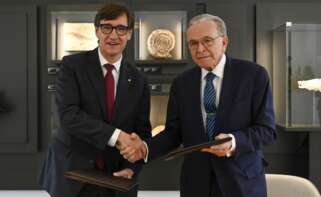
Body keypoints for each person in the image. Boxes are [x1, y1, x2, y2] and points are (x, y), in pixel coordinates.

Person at [120, 14, 277, 197]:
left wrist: (233, 142)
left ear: (224, 42)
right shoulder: (182, 83)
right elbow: (173, 133)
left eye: (207, 41)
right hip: (196, 184)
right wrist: (144, 148)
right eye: (193, 43)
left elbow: (266, 130)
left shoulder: (254, 75)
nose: (200, 49)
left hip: (241, 183)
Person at [39, 4, 151, 197]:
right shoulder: (72, 66)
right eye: (106, 27)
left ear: (130, 33)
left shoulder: (139, 80)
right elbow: (68, 116)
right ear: (97, 31)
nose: (113, 35)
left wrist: (132, 168)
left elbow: (141, 132)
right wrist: (117, 136)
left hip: (116, 179)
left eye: (121, 29)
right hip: (72, 174)